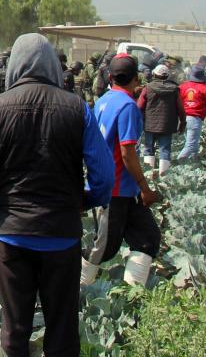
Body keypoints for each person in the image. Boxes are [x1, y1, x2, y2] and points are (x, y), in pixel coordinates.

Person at [0, 34, 112, 357]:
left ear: (15, 65)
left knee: (15, 329)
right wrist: (83, 201)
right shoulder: (77, 108)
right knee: (62, 329)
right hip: (62, 234)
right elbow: (104, 176)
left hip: (12, 234)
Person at [81, 54, 162, 290]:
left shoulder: (104, 101)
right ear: (137, 79)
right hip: (114, 189)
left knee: (148, 238)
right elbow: (127, 153)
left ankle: (130, 295)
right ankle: (76, 288)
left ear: (109, 77)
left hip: (124, 189)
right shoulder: (127, 106)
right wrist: (145, 188)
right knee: (104, 248)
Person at [136, 63, 185, 176]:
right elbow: (181, 109)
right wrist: (182, 123)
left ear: (155, 75)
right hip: (167, 126)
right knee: (165, 149)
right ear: (167, 76)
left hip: (149, 125)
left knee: (148, 148)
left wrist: (138, 122)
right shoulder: (174, 89)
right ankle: (164, 177)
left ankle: (149, 175)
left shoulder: (148, 88)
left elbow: (139, 106)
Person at [176, 65, 206, 161]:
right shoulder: (204, 88)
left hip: (181, 118)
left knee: (192, 143)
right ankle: (177, 162)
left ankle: (194, 162)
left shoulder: (182, 86)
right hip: (194, 119)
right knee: (191, 144)